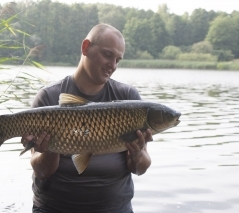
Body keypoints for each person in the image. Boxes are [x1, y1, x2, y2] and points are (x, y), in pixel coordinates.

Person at [21, 23, 153, 213]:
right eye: (108, 55)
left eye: (118, 60)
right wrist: (49, 149)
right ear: (85, 47)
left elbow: (140, 168)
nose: (113, 65)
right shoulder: (49, 98)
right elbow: (42, 172)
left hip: (114, 208)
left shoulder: (128, 99)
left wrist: (138, 153)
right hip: (55, 208)